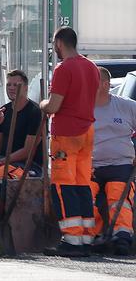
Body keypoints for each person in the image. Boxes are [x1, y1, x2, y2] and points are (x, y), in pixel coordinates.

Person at [40, 26, 98, 255]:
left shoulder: (64, 69)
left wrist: (42, 104)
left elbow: (54, 105)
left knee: (63, 185)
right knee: (82, 184)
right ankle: (85, 238)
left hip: (67, 133)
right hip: (87, 131)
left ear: (59, 43)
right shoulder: (91, 67)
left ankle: (72, 239)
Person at [89, 67, 135, 255]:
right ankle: (93, 234)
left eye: (94, 81)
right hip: (92, 165)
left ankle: (122, 236)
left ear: (106, 85)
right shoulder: (83, 108)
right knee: (86, 194)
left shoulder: (125, 106)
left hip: (120, 164)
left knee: (118, 194)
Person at [0, 69, 46, 177]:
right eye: (9, 85)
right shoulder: (3, 111)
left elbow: (27, 151)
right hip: (3, 161)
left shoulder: (35, 113)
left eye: (16, 85)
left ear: (26, 88)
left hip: (28, 165)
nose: (12, 88)